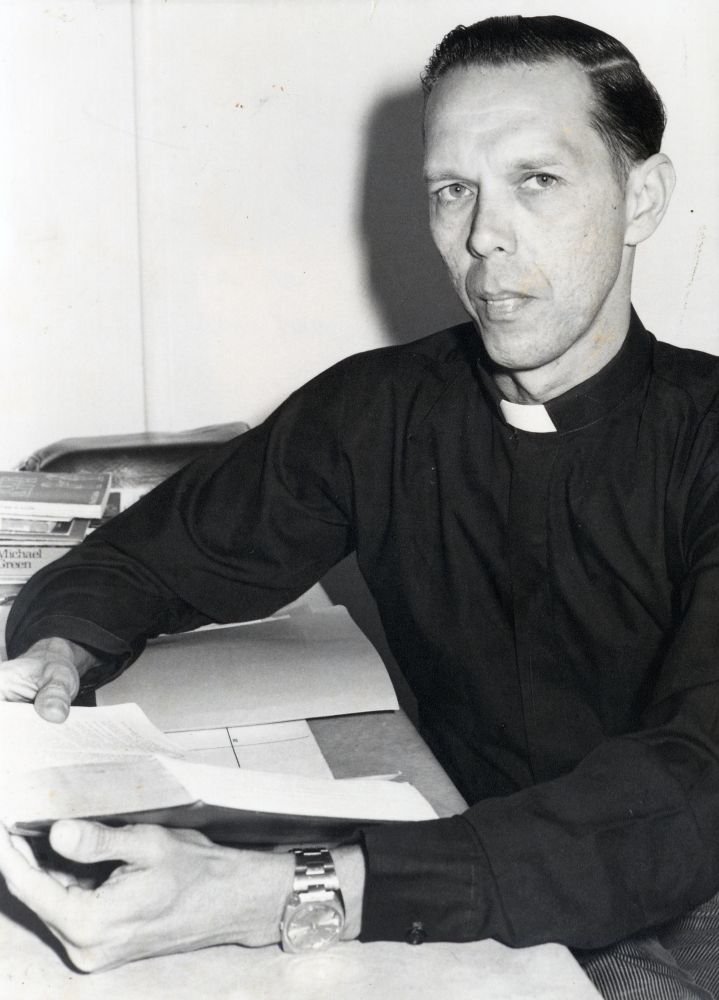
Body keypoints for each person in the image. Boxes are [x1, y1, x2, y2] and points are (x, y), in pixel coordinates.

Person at [0, 13, 718, 998]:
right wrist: (64, 645)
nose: (480, 234)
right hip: (460, 874)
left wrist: (289, 890)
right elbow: (144, 559)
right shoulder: (379, 409)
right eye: (449, 190)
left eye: (534, 181)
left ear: (641, 195)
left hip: (683, 906)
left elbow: (693, 791)